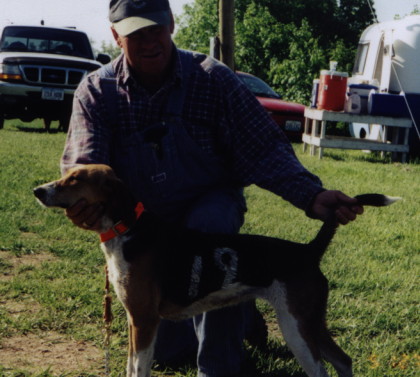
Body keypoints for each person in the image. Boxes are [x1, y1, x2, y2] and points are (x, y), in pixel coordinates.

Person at [61, 1, 364, 376]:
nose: (149, 40)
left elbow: (263, 147)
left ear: (171, 24)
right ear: (115, 36)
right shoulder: (96, 92)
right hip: (148, 226)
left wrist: (311, 194)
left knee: (211, 229)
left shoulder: (213, 78)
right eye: (135, 33)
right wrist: (82, 205)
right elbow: (84, 164)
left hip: (209, 204)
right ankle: (241, 304)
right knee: (168, 351)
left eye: (155, 28)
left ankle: (219, 363)